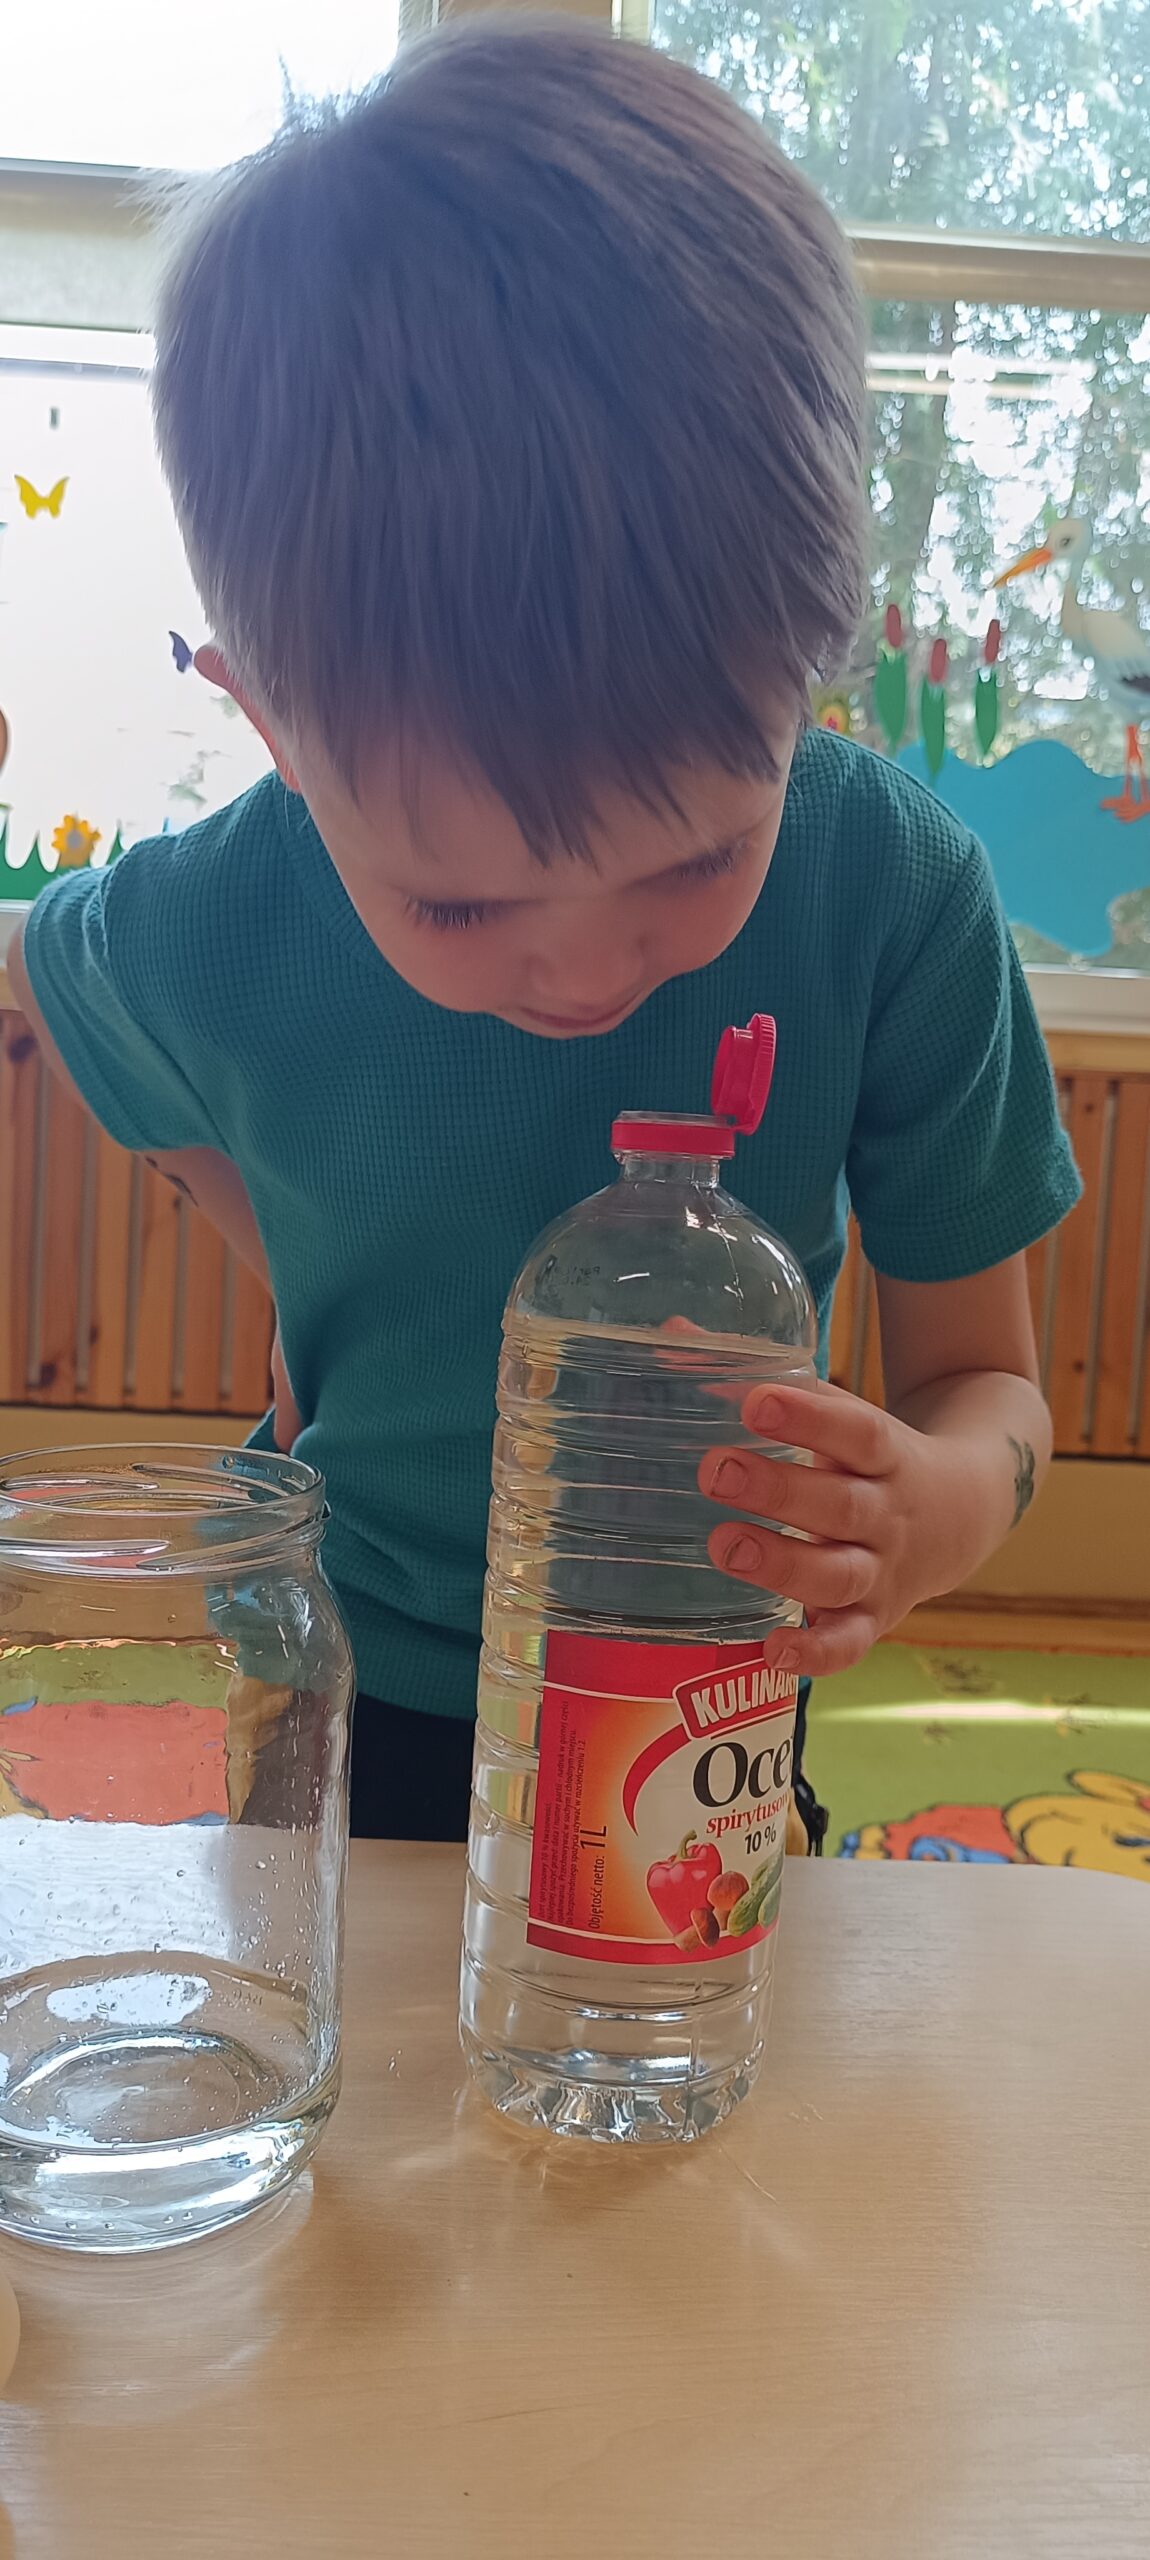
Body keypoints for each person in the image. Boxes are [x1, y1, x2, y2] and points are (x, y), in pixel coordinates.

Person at [10, 17, 1078, 1852]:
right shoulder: (212, 912)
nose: (584, 973)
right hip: (356, 1682)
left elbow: (992, 1386)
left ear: (806, 676)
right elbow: (63, 971)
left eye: (699, 859)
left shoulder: (889, 889)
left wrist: (939, 1502)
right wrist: (290, 1256)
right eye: (457, 901)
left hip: (703, 1703)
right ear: (277, 733)